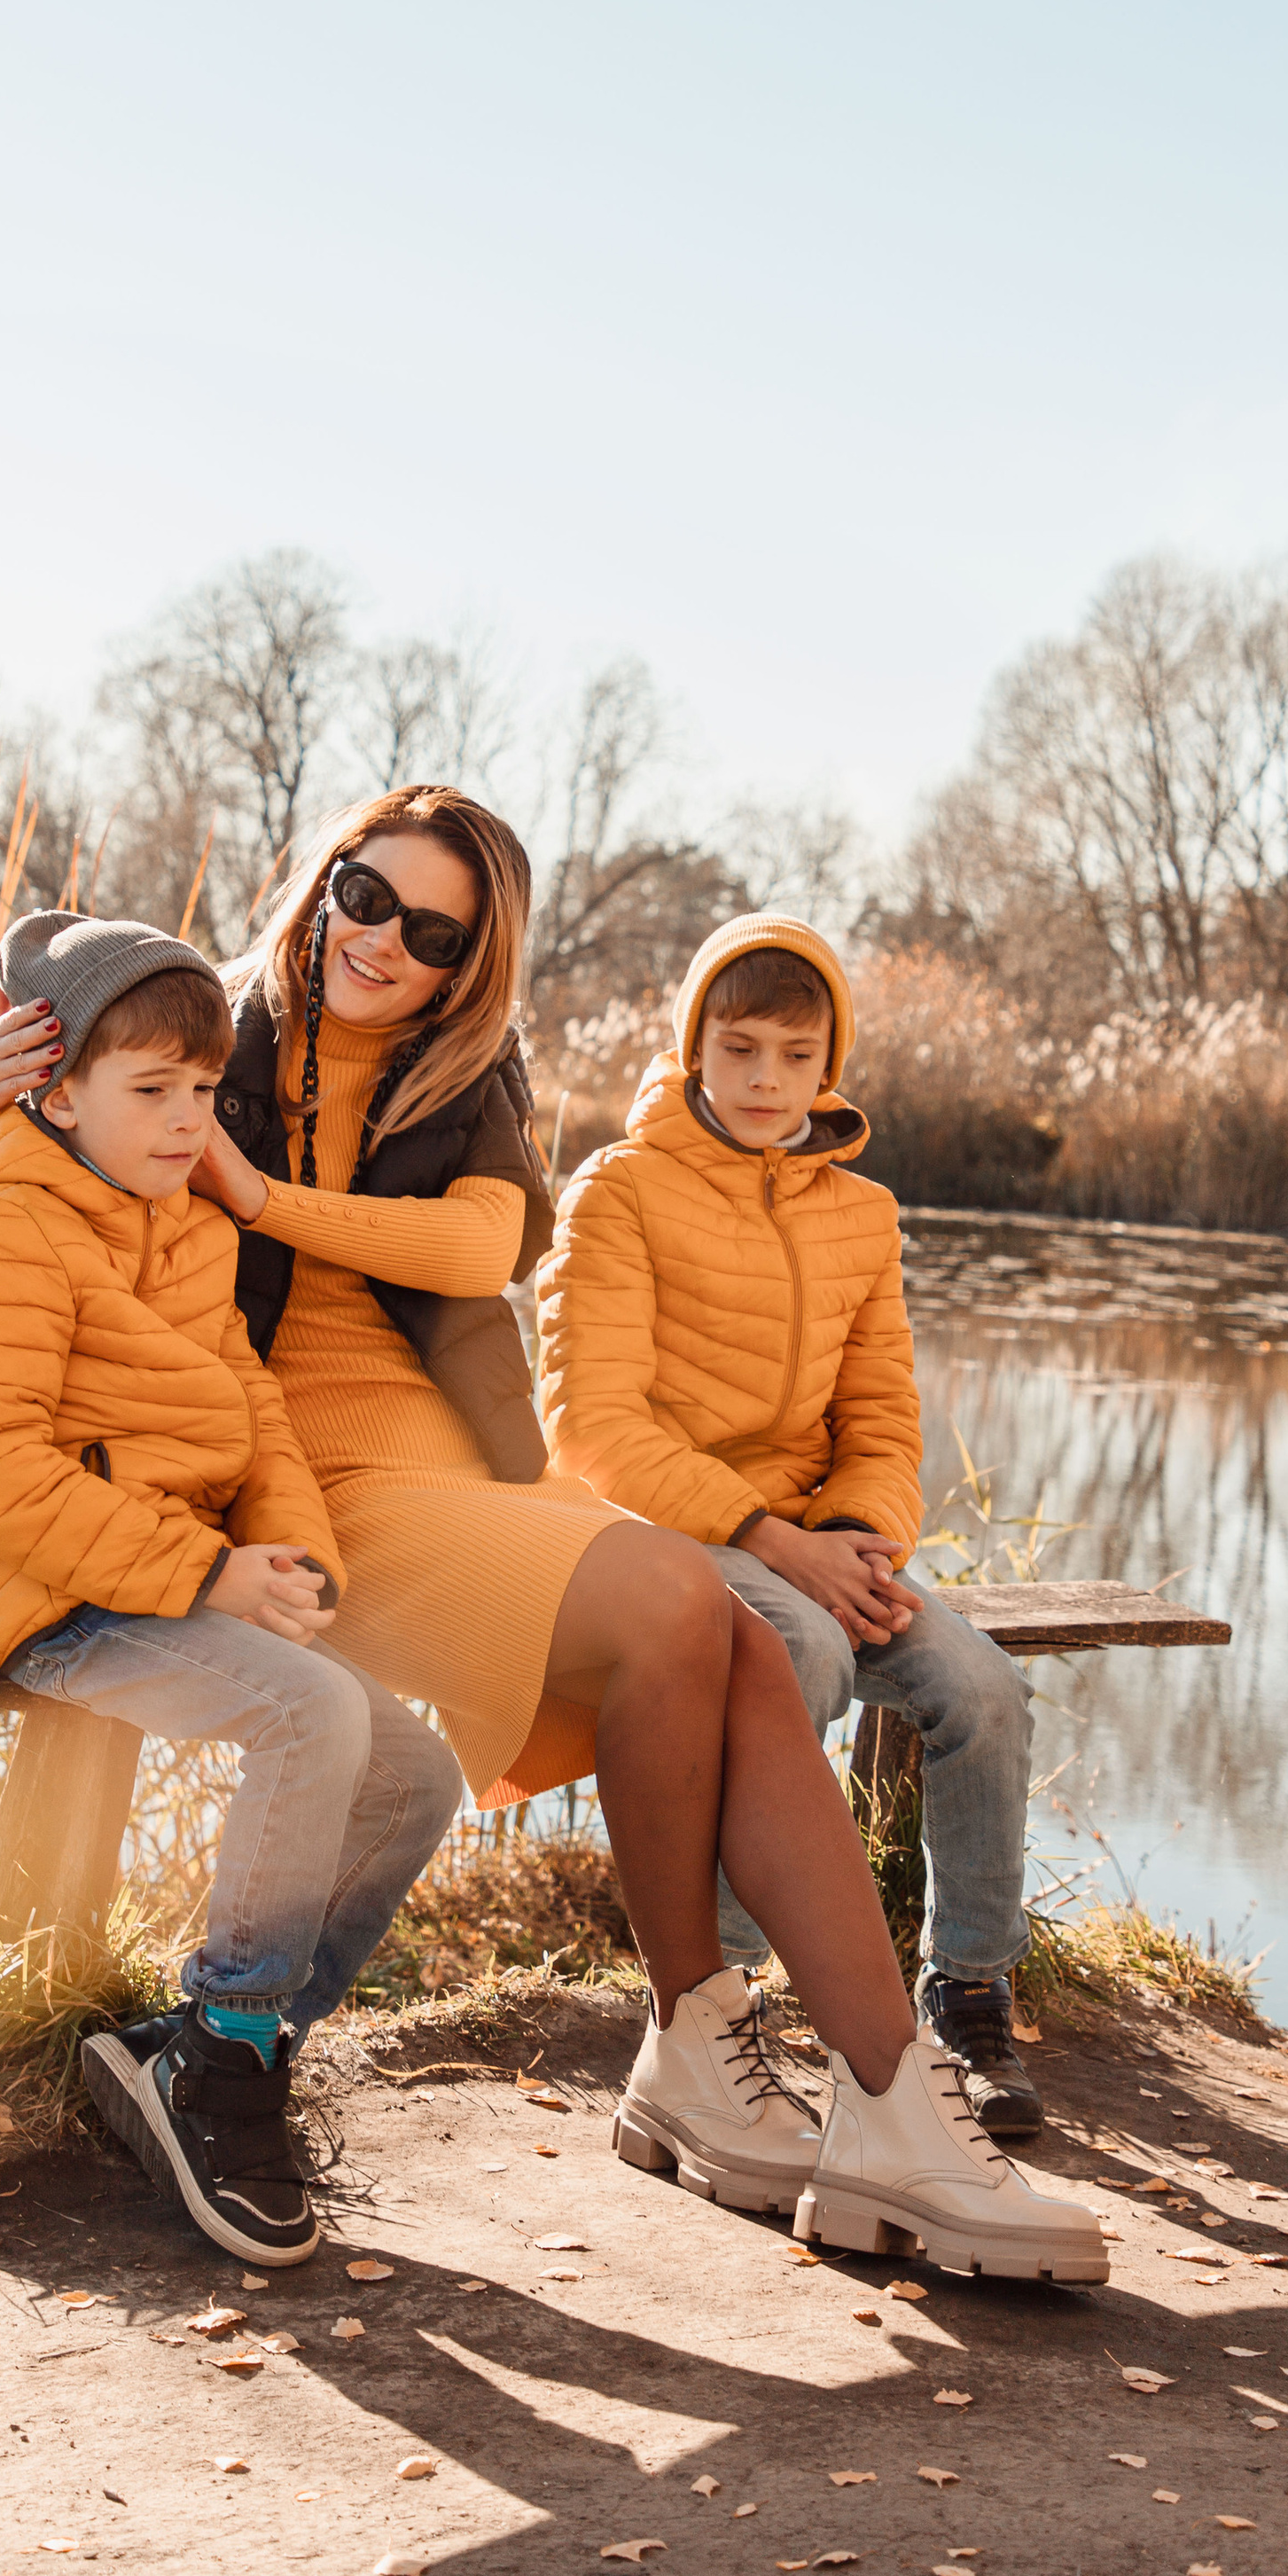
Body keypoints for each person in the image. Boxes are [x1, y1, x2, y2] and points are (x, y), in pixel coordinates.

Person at [0, 797, 1105, 2285]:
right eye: (365, 895)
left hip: (460, 1461)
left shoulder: (465, 1069)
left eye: (434, 933)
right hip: (317, 1477)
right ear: (325, 880)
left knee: (729, 1631)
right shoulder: (199, 1033)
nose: (382, 942)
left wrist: (265, 1194)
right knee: (676, 1594)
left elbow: (485, 1248)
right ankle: (858, 2099)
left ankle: (760, 2068)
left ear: (470, 963)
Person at [0, 912, 463, 2268]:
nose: (184, 1121)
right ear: (58, 1091)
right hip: (53, 1601)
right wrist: (209, 1571)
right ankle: (225, 2076)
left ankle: (216, 2042)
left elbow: (251, 1411)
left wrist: (290, 1553)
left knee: (417, 1776)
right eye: (150, 1089)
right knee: (312, 1720)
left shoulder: (186, 1226)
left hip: (172, 1583)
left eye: (203, 1091)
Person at [537, 916, 1047, 2140]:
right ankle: (711, 2007)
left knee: (984, 1692)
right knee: (801, 1652)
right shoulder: (617, 1191)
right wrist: (771, 1539)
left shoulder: (861, 1214)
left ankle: (967, 1996)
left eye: (797, 1054)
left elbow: (881, 1414)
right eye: (741, 1048)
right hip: (660, 1533)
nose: (768, 1079)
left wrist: (862, 1537)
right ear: (694, 1049)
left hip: (821, 1544)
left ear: (831, 1064)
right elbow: (593, 1424)